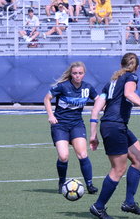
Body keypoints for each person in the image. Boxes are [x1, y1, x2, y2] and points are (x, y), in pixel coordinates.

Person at [88, 53, 140, 219]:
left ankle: (129, 202)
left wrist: (93, 134)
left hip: (115, 126)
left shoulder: (111, 83)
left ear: (121, 65)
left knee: (139, 159)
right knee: (118, 169)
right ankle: (98, 206)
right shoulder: (131, 77)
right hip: (115, 126)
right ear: (137, 67)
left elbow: (95, 110)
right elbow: (129, 94)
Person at [43, 62, 100, 195]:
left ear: (84, 74)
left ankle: (90, 185)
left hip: (77, 124)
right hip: (60, 125)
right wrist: (51, 115)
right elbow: (47, 98)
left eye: (80, 73)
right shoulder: (63, 86)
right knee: (64, 156)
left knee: (83, 154)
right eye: (75, 73)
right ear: (71, 74)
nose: (77, 76)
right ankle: (62, 182)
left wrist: (101, 107)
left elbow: (98, 99)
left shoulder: (87, 88)